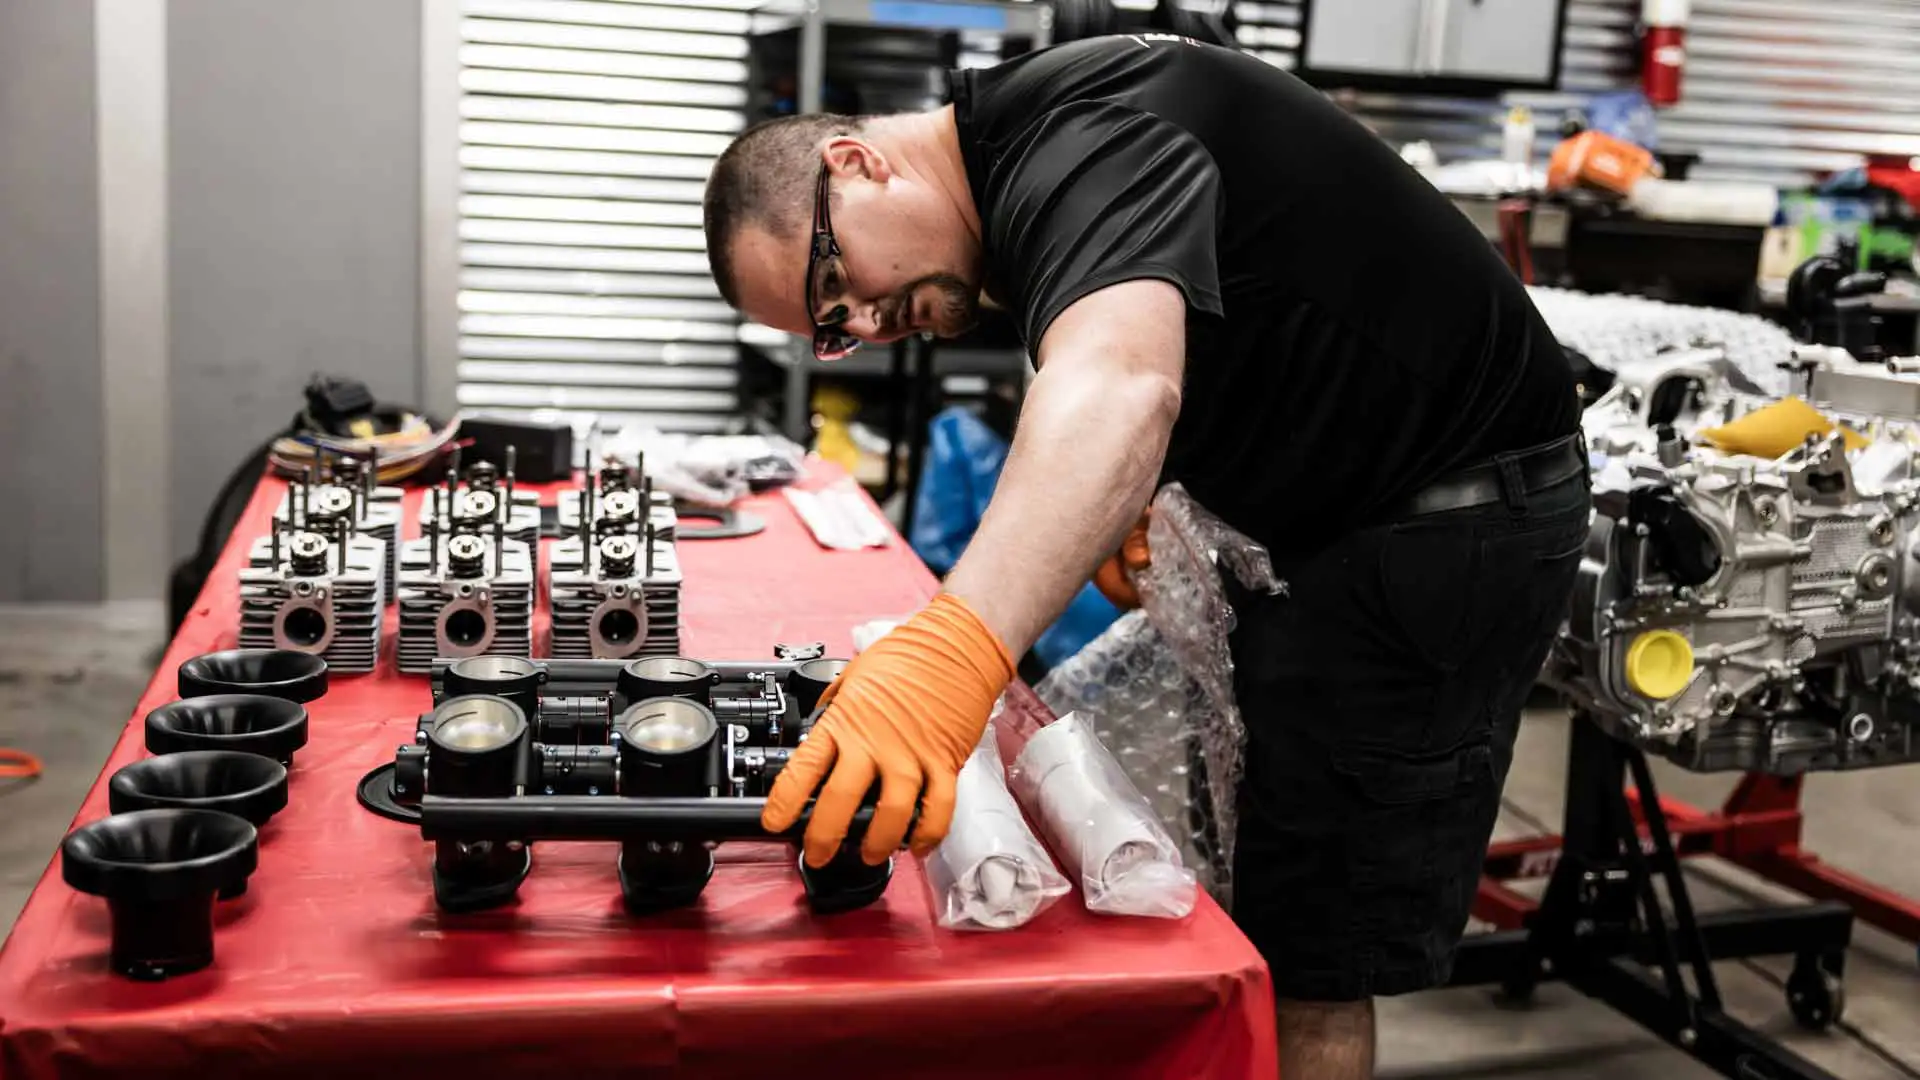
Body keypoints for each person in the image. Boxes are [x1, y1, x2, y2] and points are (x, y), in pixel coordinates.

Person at [701, 33, 1591, 1079]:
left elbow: (1123, 384)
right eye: (834, 330)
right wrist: (1153, 492)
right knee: (1253, 890)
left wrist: (953, 651)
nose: (863, 322)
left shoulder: (1083, 141)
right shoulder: (1024, 158)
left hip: (1436, 533)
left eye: (833, 281)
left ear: (856, 163)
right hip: (1343, 521)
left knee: (1310, 951)